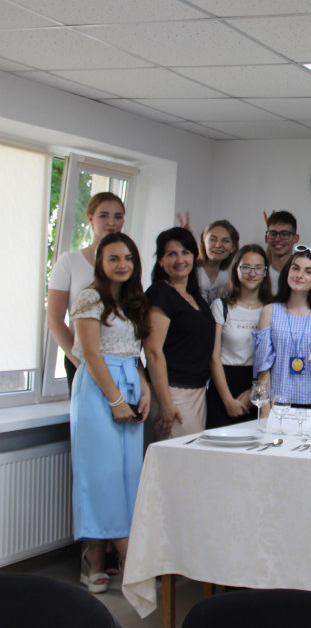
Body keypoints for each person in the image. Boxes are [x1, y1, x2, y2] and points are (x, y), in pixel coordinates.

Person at [69, 232, 149, 594]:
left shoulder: (133, 300)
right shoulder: (90, 297)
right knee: (101, 475)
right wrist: (116, 400)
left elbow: (133, 352)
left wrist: (144, 389)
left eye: (128, 258)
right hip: (99, 388)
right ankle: (101, 559)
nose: (122, 265)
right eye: (114, 258)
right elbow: (90, 353)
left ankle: (112, 558)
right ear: (100, 262)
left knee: (126, 476)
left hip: (129, 379)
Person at [48, 192, 126, 398]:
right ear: (90, 218)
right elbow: (55, 319)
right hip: (82, 359)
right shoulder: (70, 262)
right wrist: (79, 361)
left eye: (118, 216)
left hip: (120, 360)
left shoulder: (127, 264)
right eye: (104, 215)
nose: (111, 222)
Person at [145, 227, 215, 439]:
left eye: (185, 252)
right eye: (171, 254)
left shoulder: (195, 297)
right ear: (160, 261)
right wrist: (166, 403)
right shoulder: (160, 294)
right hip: (173, 393)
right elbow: (153, 352)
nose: (180, 260)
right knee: (181, 456)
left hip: (198, 393)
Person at [254, 245, 311, 419]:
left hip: (310, 403)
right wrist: (265, 412)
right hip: (276, 403)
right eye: (295, 268)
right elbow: (263, 366)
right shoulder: (270, 311)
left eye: (308, 271)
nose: (299, 275)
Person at [206, 244, 272, 429]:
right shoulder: (221, 306)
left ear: (265, 272)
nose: (252, 273)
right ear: (236, 269)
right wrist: (228, 400)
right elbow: (214, 357)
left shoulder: (271, 308)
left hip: (258, 383)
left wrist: (254, 392)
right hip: (224, 383)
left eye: (258, 268)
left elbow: (272, 358)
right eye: (246, 267)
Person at [196, 220, 239, 304]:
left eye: (225, 241)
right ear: (204, 243)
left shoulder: (229, 274)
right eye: (212, 239)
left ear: (233, 247)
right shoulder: (191, 270)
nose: (218, 245)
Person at [264, 210, 299, 291]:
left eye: (285, 234)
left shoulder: (302, 277)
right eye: (273, 233)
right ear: (266, 238)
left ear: (295, 238)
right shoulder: (258, 276)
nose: (277, 239)